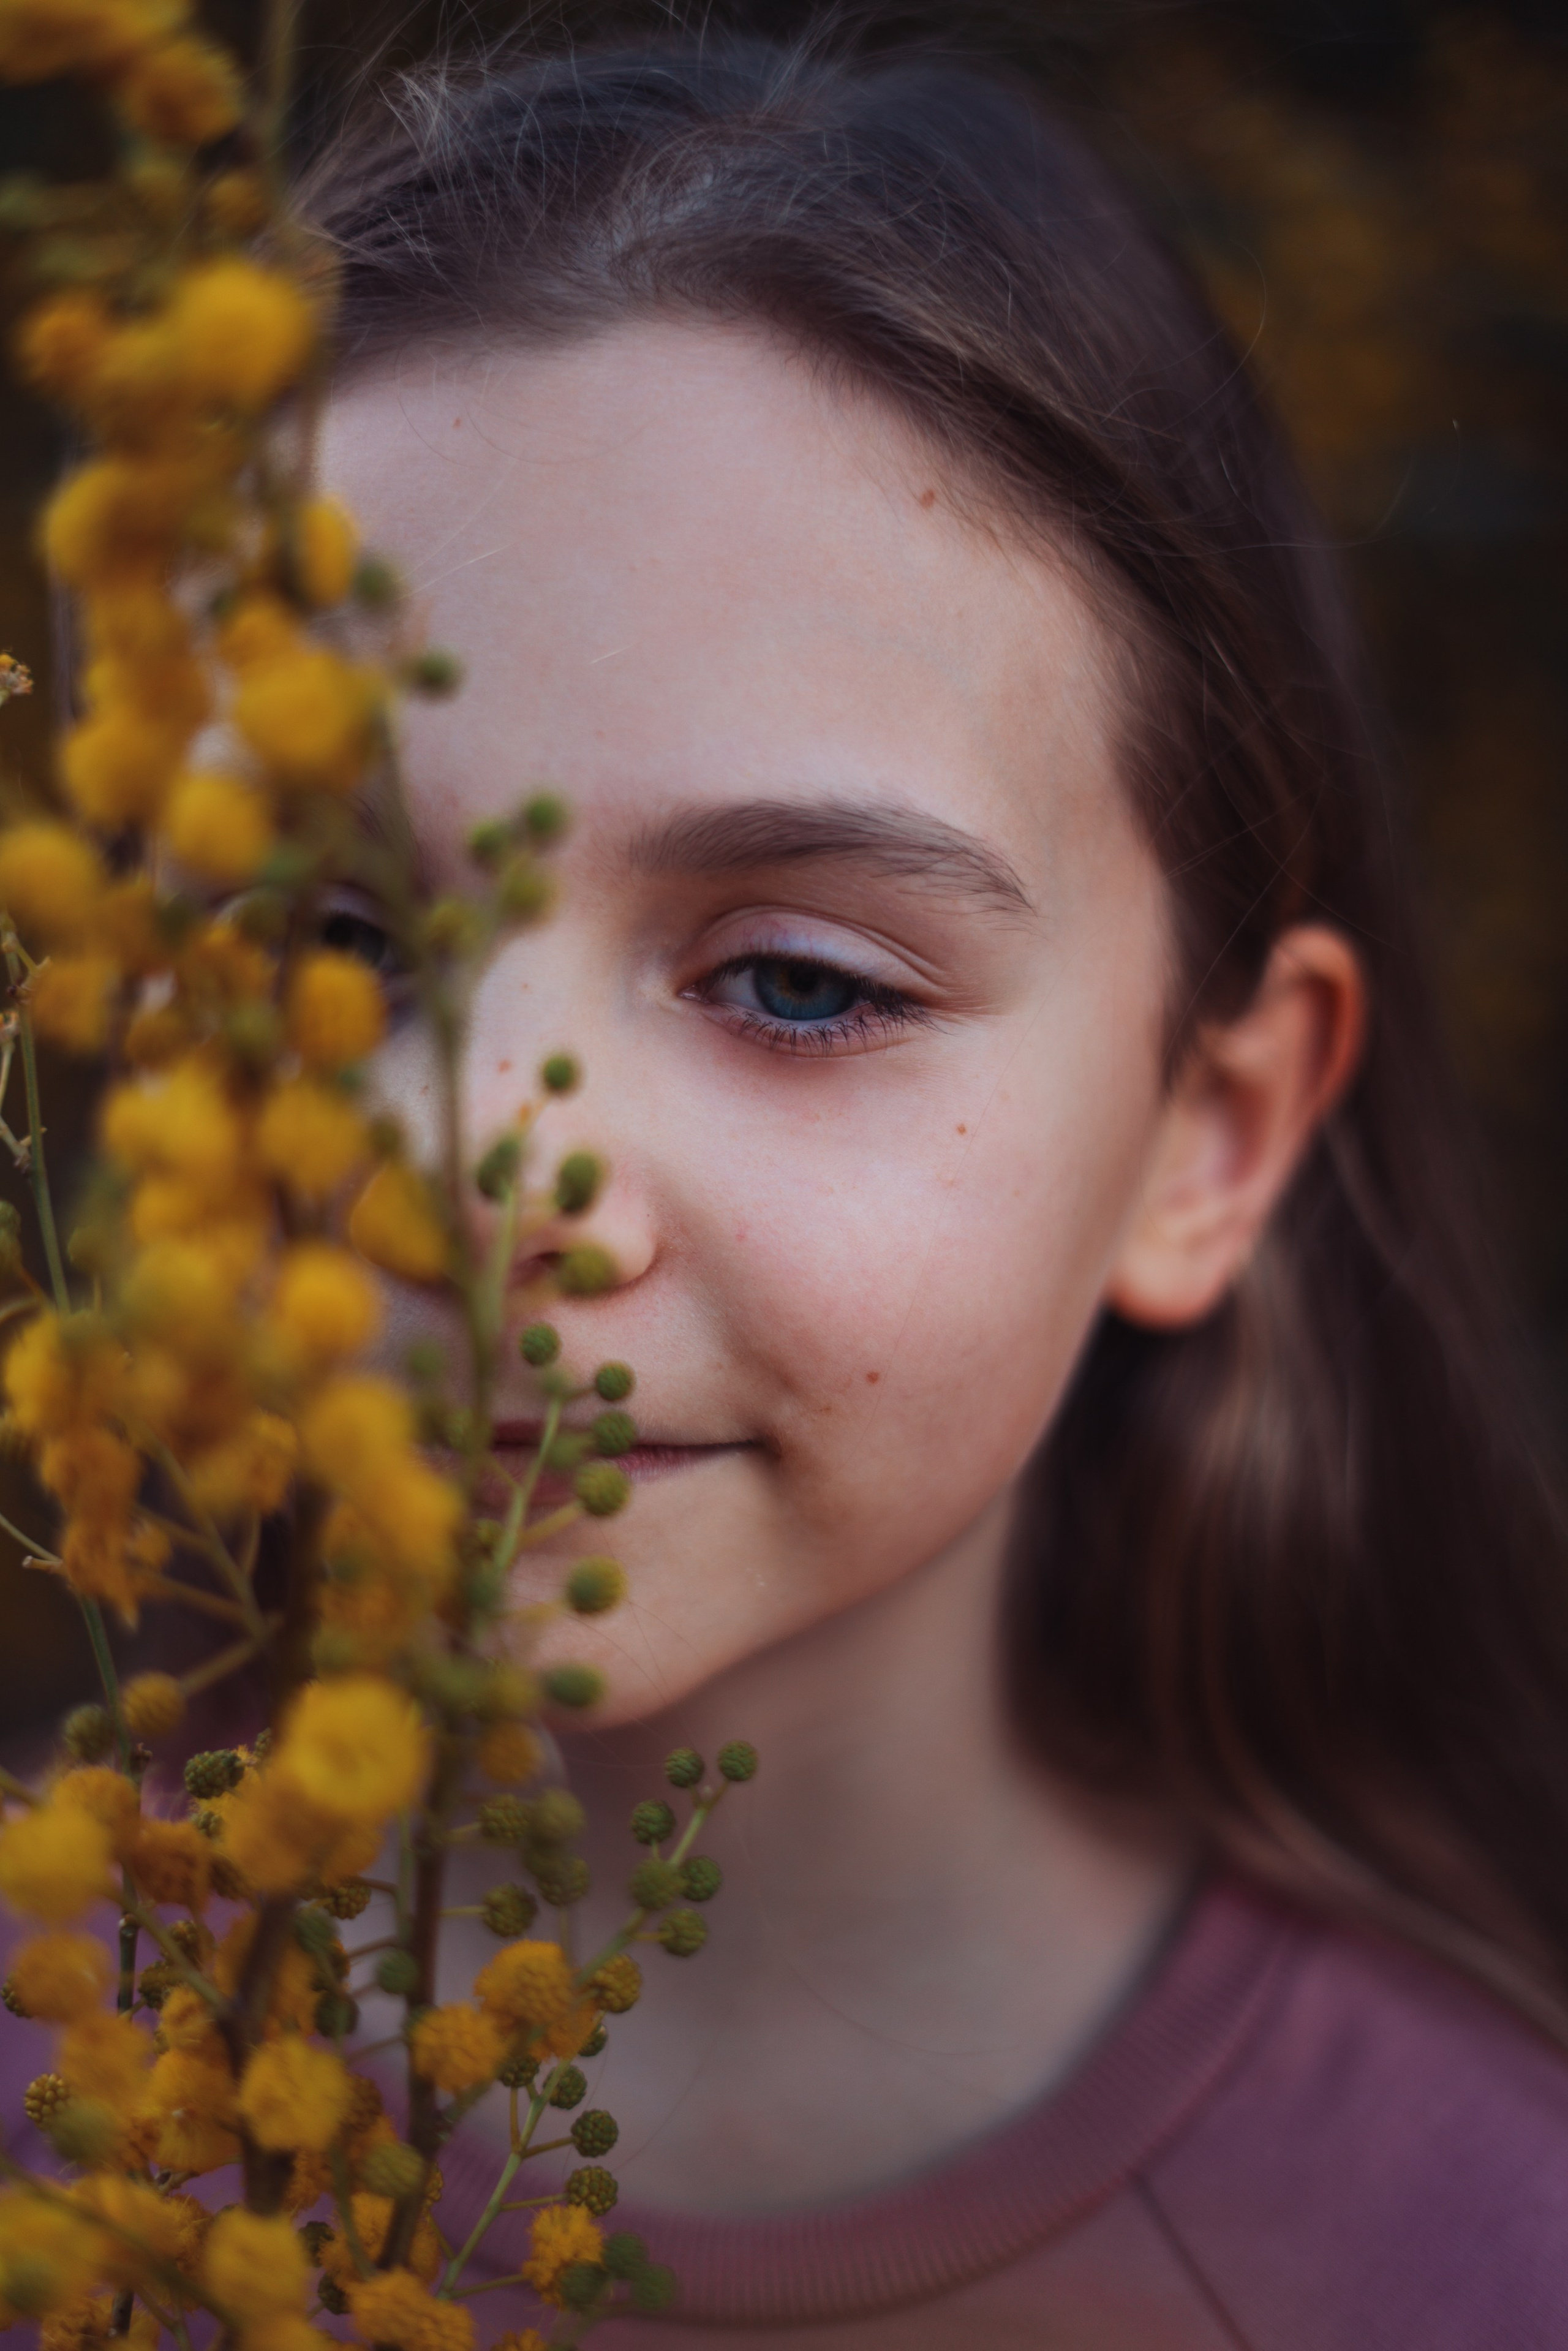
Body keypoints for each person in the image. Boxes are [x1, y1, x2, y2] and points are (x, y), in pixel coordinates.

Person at [302, 32, 1568, 2345]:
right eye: (329, 942)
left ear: (1215, 1136)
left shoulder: (1469, 2266)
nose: (472, 1173)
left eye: (796, 984)